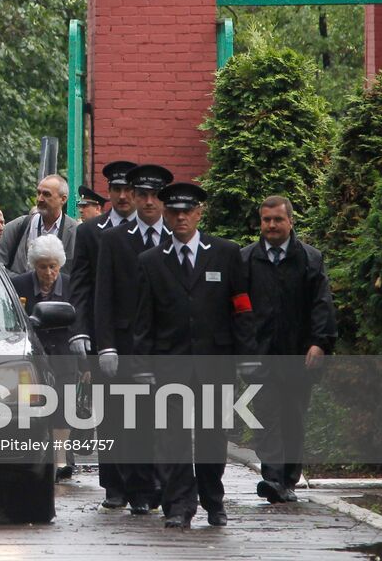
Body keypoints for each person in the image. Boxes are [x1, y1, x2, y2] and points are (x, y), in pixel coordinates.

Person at [132, 182, 256, 530]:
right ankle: (179, 505)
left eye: (188, 211)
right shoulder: (151, 261)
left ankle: (213, 500)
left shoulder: (226, 253)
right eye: (174, 212)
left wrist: (247, 355)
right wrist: (142, 365)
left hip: (215, 362)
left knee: (212, 435)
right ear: (166, 215)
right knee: (171, 436)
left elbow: (242, 307)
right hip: (169, 363)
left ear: (200, 213)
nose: (181, 217)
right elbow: (143, 319)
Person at [242, 195, 337, 504]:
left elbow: (321, 305)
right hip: (260, 356)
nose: (271, 225)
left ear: (290, 221)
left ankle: (288, 481)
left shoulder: (310, 259)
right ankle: (272, 477)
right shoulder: (245, 261)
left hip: (298, 357)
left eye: (278, 219)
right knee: (266, 417)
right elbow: (237, 308)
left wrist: (318, 343)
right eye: (266, 220)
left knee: (293, 419)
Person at [92, 165, 174, 515]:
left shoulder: (178, 236)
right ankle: (140, 488)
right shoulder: (114, 239)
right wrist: (105, 344)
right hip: (126, 344)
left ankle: (165, 484)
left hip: (167, 346)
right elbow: (103, 296)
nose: (149, 202)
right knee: (132, 420)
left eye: (156, 196)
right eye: (143, 195)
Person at [67, 159, 137, 509]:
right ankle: (113, 485)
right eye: (117, 190)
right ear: (108, 194)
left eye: (128, 190)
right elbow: (80, 284)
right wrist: (80, 329)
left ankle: (143, 482)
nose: (123, 196)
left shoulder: (150, 230)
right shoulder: (91, 231)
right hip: (103, 330)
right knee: (109, 411)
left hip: (141, 334)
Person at [11, 234, 76, 482]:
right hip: (33, 353)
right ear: (33, 265)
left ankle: (60, 458)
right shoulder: (19, 285)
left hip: (63, 351)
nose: (48, 272)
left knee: (63, 405)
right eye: (42, 266)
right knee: (32, 405)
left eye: (53, 266)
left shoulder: (70, 286)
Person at [0, 174, 79, 274]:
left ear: (63, 199)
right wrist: (21, 282)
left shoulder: (77, 232)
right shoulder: (16, 227)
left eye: (46, 194)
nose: (40, 199)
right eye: (38, 193)